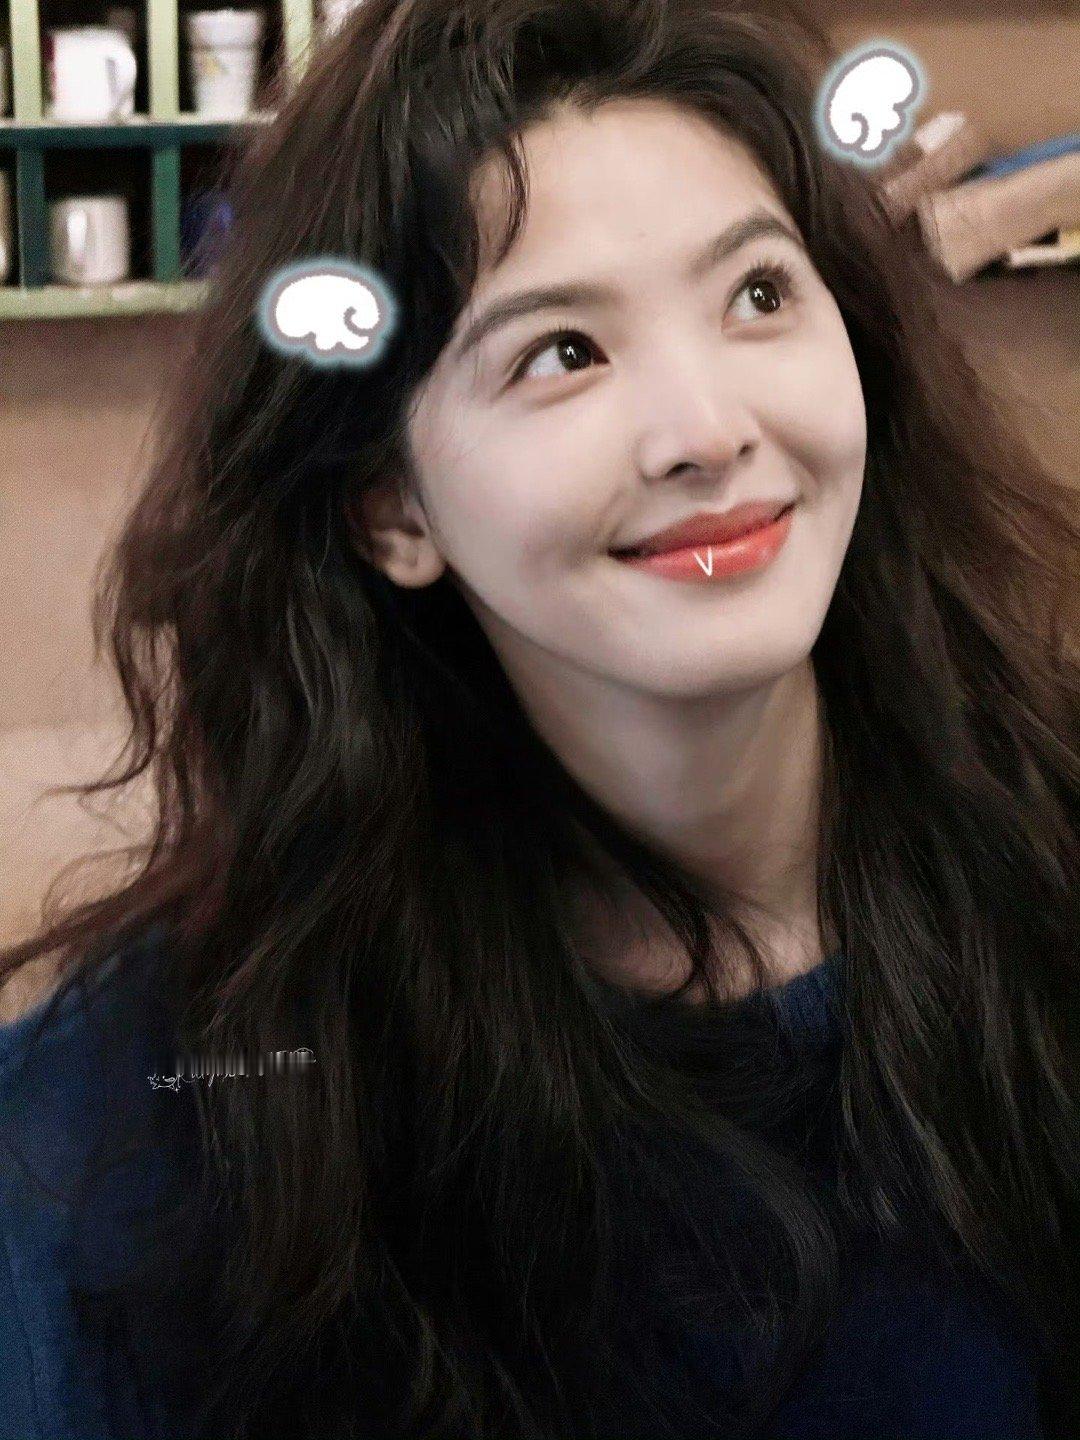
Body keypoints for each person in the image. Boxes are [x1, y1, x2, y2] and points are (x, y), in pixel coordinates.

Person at [1, 1, 1077, 1437]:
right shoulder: (142, 1128)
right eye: (562, 352)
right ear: (391, 509)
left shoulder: (1046, 876)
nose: (706, 430)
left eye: (759, 293)